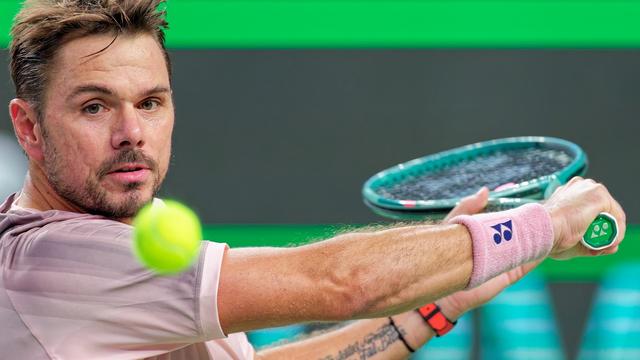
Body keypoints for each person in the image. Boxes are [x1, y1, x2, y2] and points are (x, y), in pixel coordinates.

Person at [1, 1, 626, 359]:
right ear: (28, 128)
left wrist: (441, 305)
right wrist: (549, 223)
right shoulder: (49, 261)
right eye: (94, 106)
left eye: (151, 102)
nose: (131, 131)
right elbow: (340, 282)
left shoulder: (113, 253)